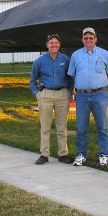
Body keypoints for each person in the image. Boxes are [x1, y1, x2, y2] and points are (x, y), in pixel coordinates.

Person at [68, 27, 108, 166]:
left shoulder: (104, 54)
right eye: (85, 38)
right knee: (81, 128)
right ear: (82, 40)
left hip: (99, 95)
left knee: (102, 126)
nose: (88, 40)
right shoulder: (76, 55)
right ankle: (81, 155)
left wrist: (101, 84)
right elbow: (72, 75)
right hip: (82, 96)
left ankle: (103, 154)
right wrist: (73, 92)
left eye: (91, 37)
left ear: (95, 39)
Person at [29, 34, 73, 165]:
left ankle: (63, 154)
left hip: (62, 95)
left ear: (59, 45)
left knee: (62, 127)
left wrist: (68, 92)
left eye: (56, 43)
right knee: (45, 126)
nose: (54, 45)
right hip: (45, 96)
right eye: (51, 43)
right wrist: (37, 94)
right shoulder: (40, 61)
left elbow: (71, 78)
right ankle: (44, 154)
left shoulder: (66, 59)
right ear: (47, 45)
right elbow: (32, 80)